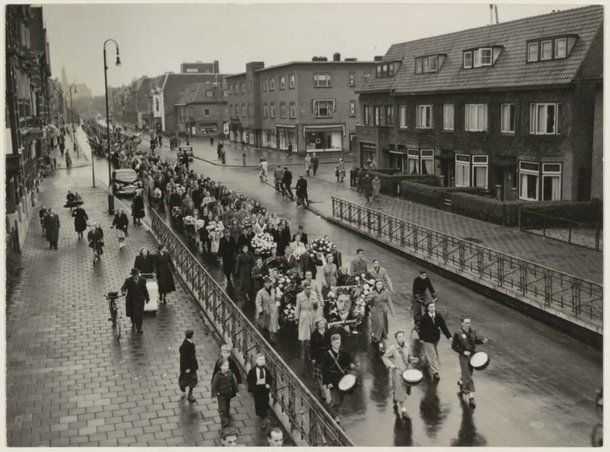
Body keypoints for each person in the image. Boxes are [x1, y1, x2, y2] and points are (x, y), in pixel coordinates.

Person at [452, 317, 488, 408]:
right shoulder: (458, 333)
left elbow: (475, 341)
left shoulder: (472, 332)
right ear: (462, 324)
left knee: (469, 373)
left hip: (472, 355)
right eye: (466, 323)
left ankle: (461, 381)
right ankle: (471, 397)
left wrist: (482, 341)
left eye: (469, 323)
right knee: (468, 375)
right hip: (464, 357)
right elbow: (454, 346)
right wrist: (463, 351)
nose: (468, 324)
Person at [382, 330, 418, 416]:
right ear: (396, 338)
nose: (401, 338)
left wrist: (412, 359)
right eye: (399, 337)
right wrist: (392, 366)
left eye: (402, 336)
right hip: (397, 372)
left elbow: (407, 356)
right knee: (400, 389)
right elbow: (385, 357)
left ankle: (396, 396)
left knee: (405, 387)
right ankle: (403, 410)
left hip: (406, 370)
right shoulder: (392, 348)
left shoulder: (406, 346)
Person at [320, 333, 355, 421]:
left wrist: (350, 365)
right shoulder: (327, 355)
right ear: (331, 343)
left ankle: (332, 408)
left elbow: (348, 362)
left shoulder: (344, 353)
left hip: (341, 379)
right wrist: (328, 382)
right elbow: (324, 370)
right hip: (332, 379)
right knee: (335, 399)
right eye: (335, 343)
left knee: (341, 397)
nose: (337, 345)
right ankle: (336, 416)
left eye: (338, 343)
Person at [419, 302, 451, 381]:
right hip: (427, 338)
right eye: (431, 307)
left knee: (430, 352)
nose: (433, 308)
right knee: (433, 354)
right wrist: (421, 338)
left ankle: (424, 361)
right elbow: (421, 329)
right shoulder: (424, 318)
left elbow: (443, 326)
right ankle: (435, 372)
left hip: (436, 338)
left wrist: (449, 336)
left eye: (434, 307)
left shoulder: (438, 316)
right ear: (428, 308)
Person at [295, 283, 323, 359]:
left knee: (311, 335)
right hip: (303, 316)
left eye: (310, 288)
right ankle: (304, 352)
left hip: (312, 315)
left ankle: (310, 352)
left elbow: (316, 307)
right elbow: (297, 307)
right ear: (304, 288)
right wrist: (296, 318)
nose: (309, 290)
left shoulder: (314, 294)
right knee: (304, 336)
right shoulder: (299, 296)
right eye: (307, 288)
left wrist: (315, 303)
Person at [366, 280, 395, 352]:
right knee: (380, 324)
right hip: (375, 311)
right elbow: (369, 303)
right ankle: (380, 343)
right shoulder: (372, 293)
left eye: (381, 284)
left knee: (382, 326)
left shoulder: (386, 292)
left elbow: (389, 302)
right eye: (378, 284)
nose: (380, 285)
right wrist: (369, 299)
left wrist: (393, 312)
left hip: (383, 311)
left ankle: (375, 335)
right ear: (375, 285)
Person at [247, 353, 273, 428]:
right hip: (257, 389)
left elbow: (269, 378)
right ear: (256, 361)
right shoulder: (253, 370)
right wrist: (253, 388)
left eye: (263, 360)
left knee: (265, 400)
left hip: (264, 389)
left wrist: (268, 383)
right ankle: (262, 416)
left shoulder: (266, 369)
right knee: (259, 402)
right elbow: (249, 380)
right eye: (260, 360)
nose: (262, 361)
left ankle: (264, 414)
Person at [211, 358, 239, 428]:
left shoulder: (230, 373)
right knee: (222, 408)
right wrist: (213, 396)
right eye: (224, 366)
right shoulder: (218, 376)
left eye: (227, 365)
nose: (226, 367)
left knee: (227, 405)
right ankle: (224, 421)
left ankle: (227, 414)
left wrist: (237, 391)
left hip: (228, 393)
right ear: (220, 367)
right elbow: (213, 386)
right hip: (221, 394)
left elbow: (234, 383)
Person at [121, 268, 150, 334]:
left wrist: (147, 298)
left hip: (140, 299)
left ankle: (139, 327)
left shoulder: (142, 280)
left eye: (137, 275)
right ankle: (133, 320)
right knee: (133, 313)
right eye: (134, 275)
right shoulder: (128, 280)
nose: (136, 276)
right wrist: (123, 291)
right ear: (133, 275)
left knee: (139, 314)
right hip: (132, 299)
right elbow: (124, 287)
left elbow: (144, 289)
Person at [310, 318, 332, 398]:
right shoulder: (314, 334)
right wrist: (313, 358)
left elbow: (330, 342)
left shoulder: (328, 332)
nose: (322, 326)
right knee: (320, 375)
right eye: (320, 324)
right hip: (318, 356)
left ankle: (328, 387)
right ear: (317, 325)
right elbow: (312, 347)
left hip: (327, 354)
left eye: (323, 324)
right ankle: (322, 389)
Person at [179, 329, 199, 403]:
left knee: (193, 379)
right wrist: (186, 367)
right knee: (187, 377)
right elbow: (183, 358)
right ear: (192, 336)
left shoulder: (189, 343)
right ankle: (182, 385)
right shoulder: (186, 345)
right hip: (188, 366)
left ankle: (190, 393)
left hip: (192, 365)